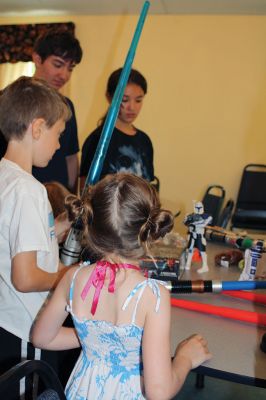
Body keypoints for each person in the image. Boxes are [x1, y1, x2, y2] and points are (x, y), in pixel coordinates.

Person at [31, 173, 212, 400]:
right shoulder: (152, 295)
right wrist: (185, 358)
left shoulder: (73, 277)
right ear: (150, 233)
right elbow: (158, 391)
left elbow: (42, 338)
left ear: (92, 229)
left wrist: (96, 337)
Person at [0, 76, 72, 399]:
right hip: (25, 329)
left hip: (6, 320)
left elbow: (18, 240)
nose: (58, 146)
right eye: (58, 135)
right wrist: (69, 277)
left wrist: (58, 226)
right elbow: (26, 276)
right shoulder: (29, 190)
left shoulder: (6, 177)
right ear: (38, 128)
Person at [79, 68, 154, 193]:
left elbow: (149, 189)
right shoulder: (97, 140)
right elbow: (85, 192)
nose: (132, 107)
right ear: (109, 97)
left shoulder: (144, 141)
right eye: (124, 100)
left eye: (138, 100)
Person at [32, 28, 83, 194]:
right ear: (37, 59)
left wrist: (72, 197)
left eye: (70, 68)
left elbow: (70, 157)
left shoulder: (67, 106)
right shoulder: (11, 100)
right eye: (58, 65)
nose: (64, 75)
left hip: (58, 200)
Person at [183, 201, 213, 273]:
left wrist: (194, 223)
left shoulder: (206, 216)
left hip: (199, 236)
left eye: (200, 207)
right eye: (197, 207)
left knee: (202, 251)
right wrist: (186, 219)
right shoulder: (191, 216)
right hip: (192, 236)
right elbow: (185, 223)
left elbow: (204, 224)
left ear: (202, 207)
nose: (198, 209)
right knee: (190, 250)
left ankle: (205, 266)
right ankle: (188, 264)